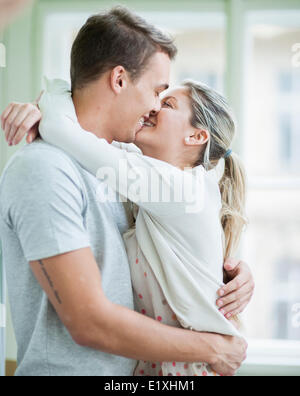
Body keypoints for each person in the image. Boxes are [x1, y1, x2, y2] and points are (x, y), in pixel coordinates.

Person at [0, 7, 252, 376]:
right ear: (119, 79)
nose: (153, 107)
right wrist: (216, 347)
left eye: (165, 101)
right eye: (157, 92)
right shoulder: (46, 168)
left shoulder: (125, 168)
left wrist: (232, 274)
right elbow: (88, 322)